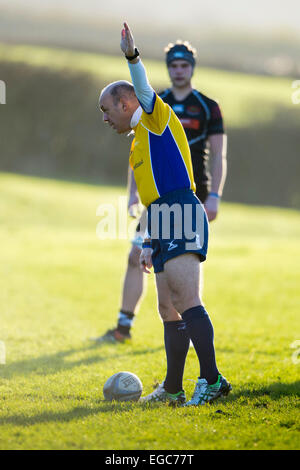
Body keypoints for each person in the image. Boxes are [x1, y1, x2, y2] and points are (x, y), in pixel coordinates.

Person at [98, 22, 231, 406]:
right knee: (166, 307)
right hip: (161, 217)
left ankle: (212, 381)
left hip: (183, 212)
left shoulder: (155, 119)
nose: (105, 118)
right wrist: (149, 240)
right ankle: (172, 388)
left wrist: (132, 56)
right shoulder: (137, 142)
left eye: (107, 110)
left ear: (126, 105)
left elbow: (142, 89)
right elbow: (151, 198)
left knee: (187, 299)